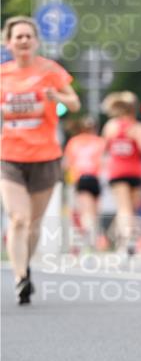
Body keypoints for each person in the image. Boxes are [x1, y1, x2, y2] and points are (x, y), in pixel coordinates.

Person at [0, 16, 80, 303]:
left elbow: (74, 103)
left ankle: (25, 267)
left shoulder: (50, 70)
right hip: (10, 156)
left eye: (28, 36)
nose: (23, 41)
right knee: (18, 218)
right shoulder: (2, 74)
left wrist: (55, 95)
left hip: (45, 156)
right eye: (18, 37)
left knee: (34, 223)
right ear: (8, 43)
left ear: (36, 42)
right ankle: (20, 277)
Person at [101, 91, 141, 257]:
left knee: (125, 210)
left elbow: (103, 148)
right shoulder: (139, 127)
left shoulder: (111, 126)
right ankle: (127, 241)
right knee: (129, 210)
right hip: (134, 172)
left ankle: (120, 240)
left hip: (118, 172)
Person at [63, 115, 106, 249]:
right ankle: (93, 240)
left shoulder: (74, 142)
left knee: (84, 213)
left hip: (80, 179)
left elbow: (66, 164)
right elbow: (105, 162)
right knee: (94, 212)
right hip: (95, 178)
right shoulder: (100, 142)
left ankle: (88, 241)